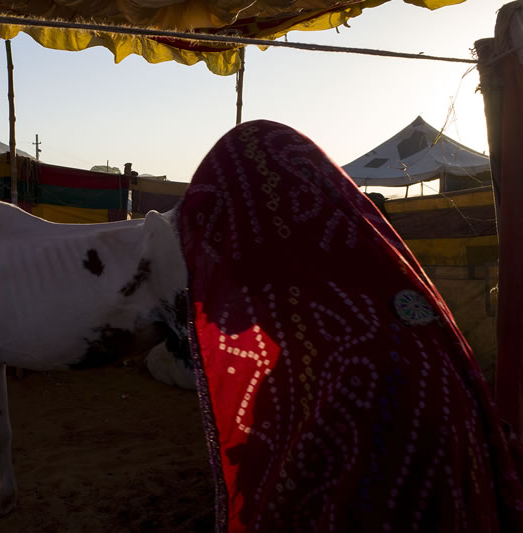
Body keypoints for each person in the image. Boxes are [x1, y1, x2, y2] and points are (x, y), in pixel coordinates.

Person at [179, 120, 523, 532]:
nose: (204, 285)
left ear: (270, 241)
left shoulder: (363, 371)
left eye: (217, 247)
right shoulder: (339, 342)